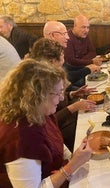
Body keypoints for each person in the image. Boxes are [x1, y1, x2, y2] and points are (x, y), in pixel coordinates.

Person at [0, 59, 92, 187]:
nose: (61, 98)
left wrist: (74, 156)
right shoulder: (20, 138)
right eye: (58, 93)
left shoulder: (40, 112)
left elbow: (55, 139)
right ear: (37, 96)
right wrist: (72, 166)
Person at [29, 37, 97, 152]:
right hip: (59, 129)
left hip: (64, 119)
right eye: (62, 57)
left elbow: (58, 97)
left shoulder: (46, 75)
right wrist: (74, 107)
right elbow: (47, 123)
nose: (64, 60)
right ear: (52, 61)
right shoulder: (37, 83)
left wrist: (72, 94)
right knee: (91, 130)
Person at [43, 20, 100, 89]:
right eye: (64, 34)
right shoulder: (45, 54)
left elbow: (67, 68)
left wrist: (88, 68)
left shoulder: (56, 50)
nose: (68, 37)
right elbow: (63, 78)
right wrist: (88, 69)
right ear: (53, 35)